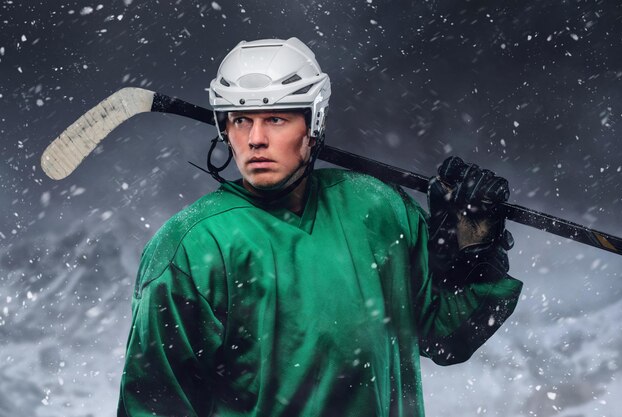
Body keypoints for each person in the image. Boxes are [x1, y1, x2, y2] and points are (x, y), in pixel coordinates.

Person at [117, 37, 522, 417]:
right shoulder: (191, 246)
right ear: (224, 129)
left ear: (313, 125)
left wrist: (475, 254)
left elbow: (446, 337)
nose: (256, 139)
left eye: (275, 118)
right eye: (241, 120)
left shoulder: (378, 207)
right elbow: (154, 403)